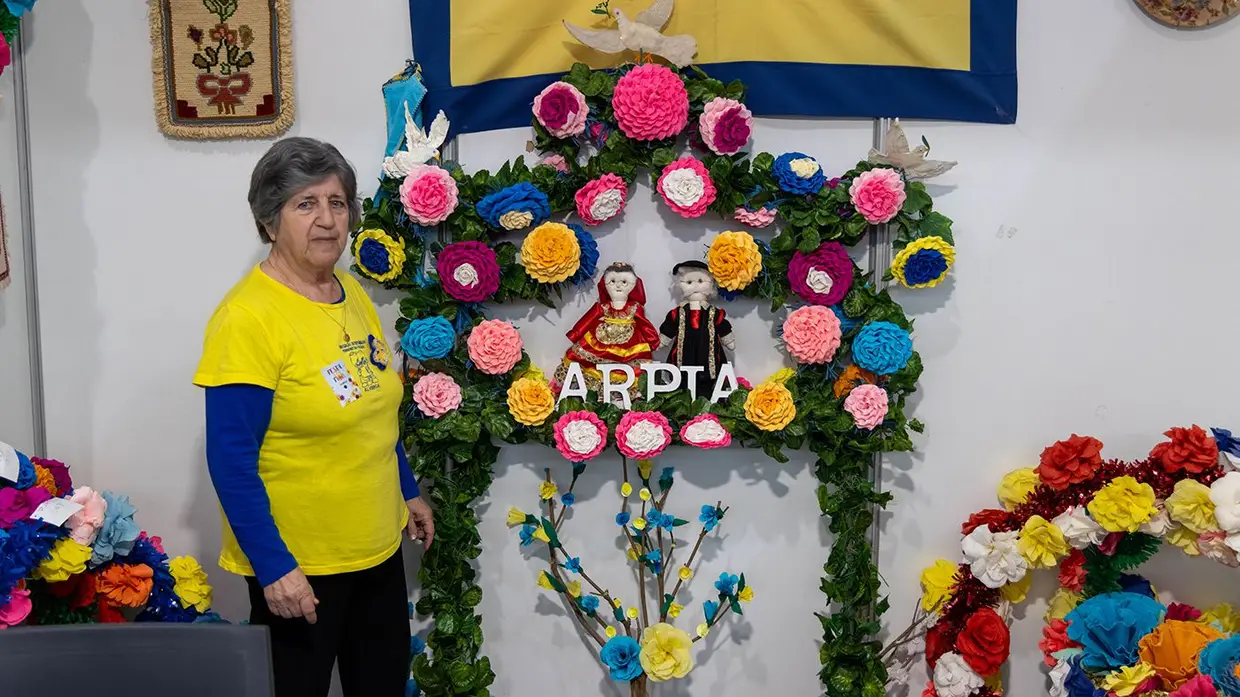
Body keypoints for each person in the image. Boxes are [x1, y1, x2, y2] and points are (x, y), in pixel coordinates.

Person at [193, 137, 434, 697]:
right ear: (269, 219)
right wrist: (275, 568)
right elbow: (231, 461)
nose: (327, 220)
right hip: (301, 568)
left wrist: (406, 490)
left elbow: (374, 407)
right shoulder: (247, 319)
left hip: (375, 547)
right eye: (305, 204)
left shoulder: (349, 290)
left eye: (337, 202)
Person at [553, 261, 661, 394]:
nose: (618, 286)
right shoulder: (603, 307)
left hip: (631, 343)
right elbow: (588, 319)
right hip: (601, 340)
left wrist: (653, 340)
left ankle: (620, 392)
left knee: (630, 367)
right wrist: (575, 334)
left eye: (624, 282)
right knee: (587, 359)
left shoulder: (635, 308)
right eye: (613, 281)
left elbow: (644, 324)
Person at [659, 260, 735, 400]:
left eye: (700, 281)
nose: (695, 286)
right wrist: (662, 340)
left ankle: (707, 397)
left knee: (708, 378)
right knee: (682, 379)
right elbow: (669, 326)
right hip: (684, 354)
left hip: (707, 353)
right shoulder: (678, 313)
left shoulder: (713, 312)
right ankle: (683, 397)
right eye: (689, 283)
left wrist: (728, 339)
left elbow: (722, 326)